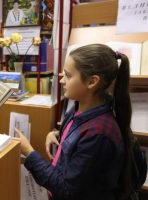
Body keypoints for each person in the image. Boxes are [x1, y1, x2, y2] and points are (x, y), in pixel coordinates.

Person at [15, 44, 133, 200]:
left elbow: (66, 190)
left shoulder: (99, 135)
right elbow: (77, 136)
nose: (62, 80)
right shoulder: (79, 108)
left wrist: (28, 152)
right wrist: (58, 134)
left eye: (68, 76)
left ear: (92, 82)